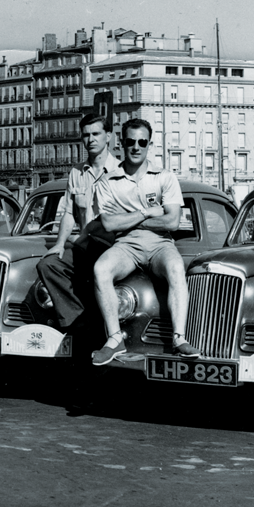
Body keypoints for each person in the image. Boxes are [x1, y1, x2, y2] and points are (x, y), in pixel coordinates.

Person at [91, 118, 200, 366]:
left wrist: (127, 219)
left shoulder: (165, 177)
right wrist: (147, 213)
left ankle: (179, 338)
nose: (136, 147)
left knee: (176, 267)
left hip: (160, 244)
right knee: (100, 269)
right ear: (122, 143)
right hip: (126, 245)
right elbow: (109, 224)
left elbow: (172, 222)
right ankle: (114, 339)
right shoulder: (108, 182)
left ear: (150, 144)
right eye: (131, 141)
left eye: (142, 142)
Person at [36, 113, 119, 344]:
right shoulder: (77, 172)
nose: (91, 139)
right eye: (86, 135)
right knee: (48, 264)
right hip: (86, 245)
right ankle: (78, 322)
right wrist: (60, 244)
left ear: (108, 136)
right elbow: (69, 213)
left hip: (114, 246)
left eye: (96, 134)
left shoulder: (120, 171)